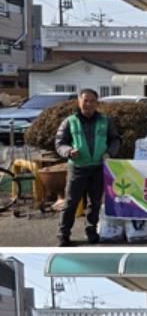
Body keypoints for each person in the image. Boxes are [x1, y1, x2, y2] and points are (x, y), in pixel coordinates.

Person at [55, 88, 120, 247]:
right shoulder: (70, 121)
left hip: (98, 167)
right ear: (79, 102)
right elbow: (60, 143)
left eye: (92, 101)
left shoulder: (105, 121)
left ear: (97, 103)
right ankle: (63, 234)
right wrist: (68, 151)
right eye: (85, 101)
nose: (88, 104)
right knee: (71, 203)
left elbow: (115, 139)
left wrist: (110, 153)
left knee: (95, 202)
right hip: (77, 167)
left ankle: (91, 231)